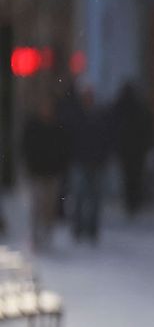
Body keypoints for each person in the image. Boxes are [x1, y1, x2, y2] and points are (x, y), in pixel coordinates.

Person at [20, 94, 71, 251]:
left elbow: (64, 148)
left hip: (52, 173)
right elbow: (26, 146)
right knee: (37, 205)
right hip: (37, 172)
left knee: (49, 207)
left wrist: (61, 166)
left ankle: (47, 234)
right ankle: (36, 236)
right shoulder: (33, 126)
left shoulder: (58, 127)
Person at [67, 84, 114, 243]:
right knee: (80, 197)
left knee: (94, 198)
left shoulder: (99, 116)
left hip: (96, 162)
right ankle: (79, 228)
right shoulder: (78, 116)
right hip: (81, 161)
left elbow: (106, 139)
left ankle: (91, 229)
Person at [112, 81, 154, 217]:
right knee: (135, 177)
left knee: (129, 177)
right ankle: (134, 202)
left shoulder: (122, 108)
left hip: (128, 149)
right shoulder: (141, 108)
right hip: (136, 150)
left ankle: (131, 202)